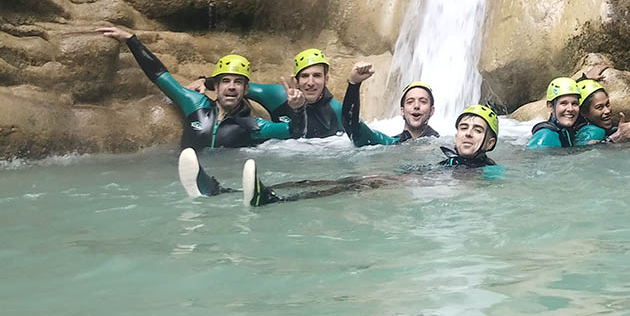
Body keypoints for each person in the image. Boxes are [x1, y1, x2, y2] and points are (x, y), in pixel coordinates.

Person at [182, 104, 501, 206]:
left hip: (408, 189)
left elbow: (471, 191)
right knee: (337, 179)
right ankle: (223, 190)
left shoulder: (487, 170)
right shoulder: (450, 158)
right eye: (464, 127)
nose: (468, 133)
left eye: (477, 130)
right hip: (405, 181)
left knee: (351, 185)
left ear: (489, 143)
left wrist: (404, 184)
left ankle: (274, 200)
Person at [97, 27, 291, 149]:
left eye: (238, 82)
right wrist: (132, 40)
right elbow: (159, 75)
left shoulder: (255, 126)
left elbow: (299, 133)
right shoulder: (196, 104)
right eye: (226, 81)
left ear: (246, 89)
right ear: (215, 86)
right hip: (187, 177)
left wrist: (297, 109)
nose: (231, 87)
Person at [247, 48, 346, 139]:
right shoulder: (278, 95)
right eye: (304, 76)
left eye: (317, 75)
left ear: (326, 79)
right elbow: (240, 87)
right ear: (297, 81)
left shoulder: (337, 110)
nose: (310, 83)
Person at [339, 65, 440, 146]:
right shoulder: (390, 143)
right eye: (410, 102)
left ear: (431, 110)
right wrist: (354, 84)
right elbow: (353, 126)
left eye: (423, 101)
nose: (416, 106)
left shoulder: (441, 146)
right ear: (402, 111)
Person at [574, 78, 630, 145]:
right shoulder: (593, 132)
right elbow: (584, 151)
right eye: (599, 107)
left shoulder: (582, 128)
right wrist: (616, 137)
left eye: (607, 104)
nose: (607, 111)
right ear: (584, 112)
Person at [526, 77, 583, 148]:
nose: (570, 109)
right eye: (563, 103)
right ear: (551, 107)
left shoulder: (568, 131)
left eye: (574, 103)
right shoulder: (546, 136)